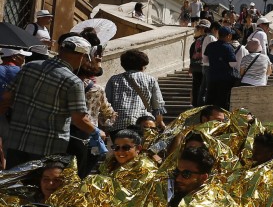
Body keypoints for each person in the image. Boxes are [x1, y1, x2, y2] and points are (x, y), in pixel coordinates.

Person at [0, 34, 98, 166]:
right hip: (48, 147)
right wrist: (96, 132)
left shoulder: (29, 67)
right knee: (43, 185)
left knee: (15, 184)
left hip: (17, 141)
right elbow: (79, 119)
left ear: (60, 50)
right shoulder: (72, 82)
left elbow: (6, 97)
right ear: (82, 57)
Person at [105, 48, 167, 130]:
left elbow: (106, 103)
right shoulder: (150, 79)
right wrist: (160, 122)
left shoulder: (114, 79)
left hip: (118, 123)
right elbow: (157, 105)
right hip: (142, 123)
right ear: (142, 66)